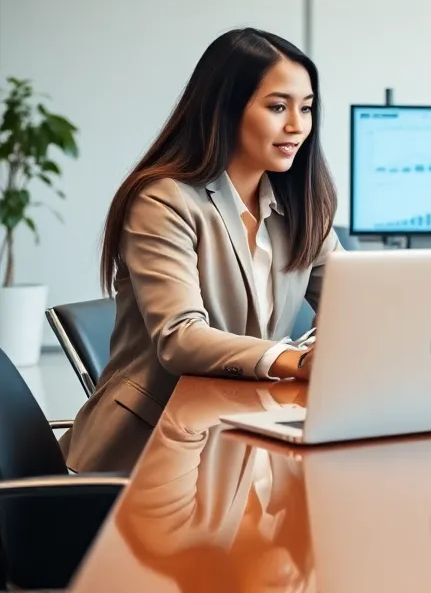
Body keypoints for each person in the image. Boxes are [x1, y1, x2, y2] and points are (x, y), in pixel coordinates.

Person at [61, 28, 340, 474]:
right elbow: (181, 338)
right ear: (225, 108)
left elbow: (355, 307)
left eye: (306, 108)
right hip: (147, 453)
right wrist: (298, 360)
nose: (297, 125)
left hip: (242, 432)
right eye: (277, 107)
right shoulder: (164, 201)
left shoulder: (304, 207)